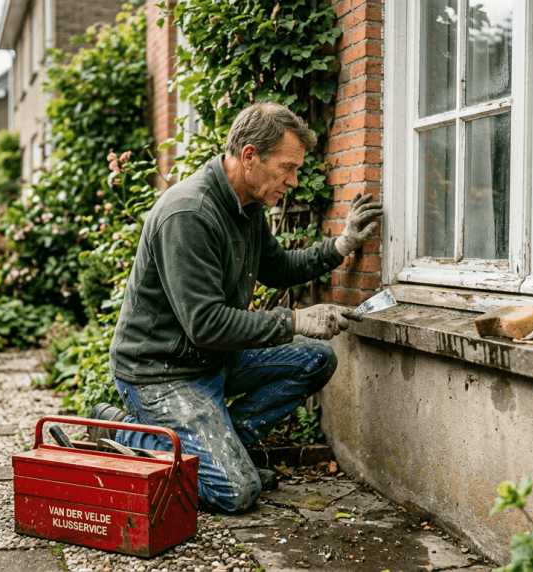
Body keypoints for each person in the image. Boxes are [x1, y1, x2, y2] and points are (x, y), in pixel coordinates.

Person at [88, 102, 384, 512]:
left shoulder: (246, 207)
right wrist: (296, 319)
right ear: (249, 157)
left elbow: (277, 267)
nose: (294, 181)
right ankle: (125, 431)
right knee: (236, 492)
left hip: (213, 359)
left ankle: (226, 453)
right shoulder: (189, 213)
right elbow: (205, 324)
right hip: (162, 372)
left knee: (315, 358)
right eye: (287, 167)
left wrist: (342, 245)